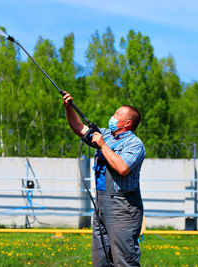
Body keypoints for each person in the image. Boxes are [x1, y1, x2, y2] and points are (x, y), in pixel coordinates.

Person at [63, 91, 146, 267]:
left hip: (122, 208)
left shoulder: (134, 144)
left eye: (117, 114)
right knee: (100, 259)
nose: (113, 116)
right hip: (101, 204)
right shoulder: (106, 134)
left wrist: (102, 145)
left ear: (127, 123)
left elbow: (122, 168)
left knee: (124, 259)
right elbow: (80, 128)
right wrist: (69, 108)